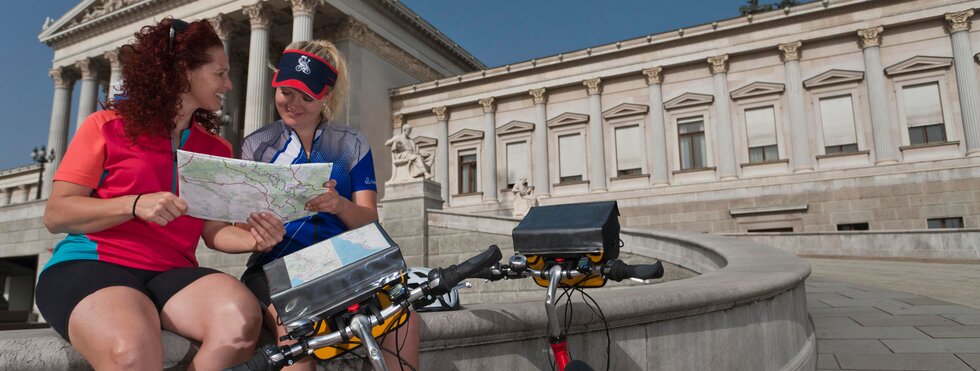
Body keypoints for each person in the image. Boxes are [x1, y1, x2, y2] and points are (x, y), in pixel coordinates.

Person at [35, 18, 286, 370]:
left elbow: (213, 231)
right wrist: (134, 205)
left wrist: (255, 239)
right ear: (184, 71)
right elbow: (57, 214)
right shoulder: (106, 125)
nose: (228, 83)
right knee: (132, 352)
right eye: (219, 73)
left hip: (172, 274)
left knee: (242, 321)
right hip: (92, 264)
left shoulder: (215, 149)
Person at [239, 40, 420, 370]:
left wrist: (339, 205)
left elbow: (370, 224)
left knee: (404, 319)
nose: (293, 104)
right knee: (294, 332)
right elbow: (239, 224)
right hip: (276, 267)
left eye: (306, 97)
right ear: (275, 83)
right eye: (286, 92)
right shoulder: (257, 145)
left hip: (339, 260)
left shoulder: (351, 143)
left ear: (326, 98)